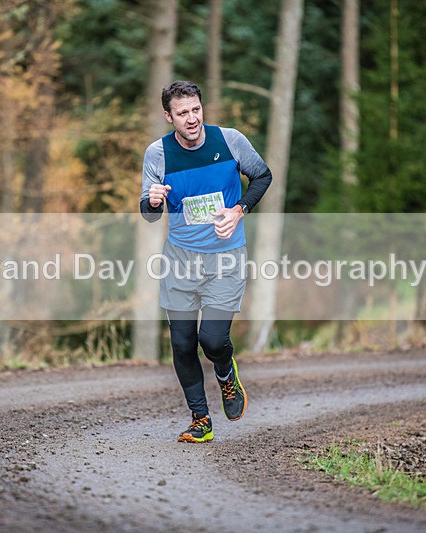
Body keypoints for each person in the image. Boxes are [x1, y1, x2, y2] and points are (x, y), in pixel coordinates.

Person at [140, 80, 272, 443]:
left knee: (212, 340)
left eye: (196, 109)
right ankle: (200, 419)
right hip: (179, 262)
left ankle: (226, 373)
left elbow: (262, 175)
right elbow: (149, 213)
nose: (192, 118)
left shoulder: (229, 140)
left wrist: (240, 209)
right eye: (182, 113)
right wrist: (153, 200)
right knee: (182, 345)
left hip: (225, 259)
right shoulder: (158, 154)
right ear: (169, 117)